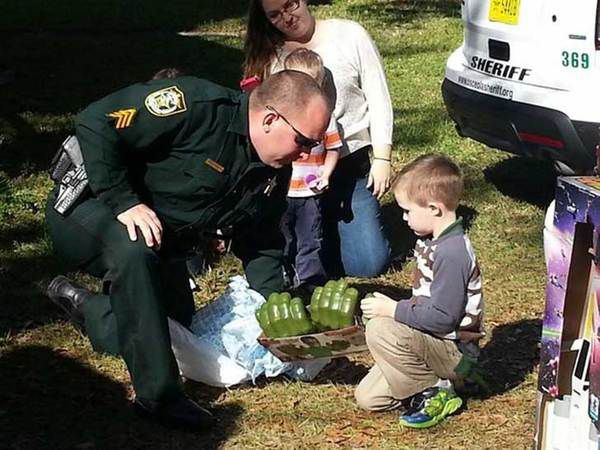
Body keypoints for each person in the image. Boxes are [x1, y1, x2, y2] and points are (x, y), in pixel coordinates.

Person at [45, 70, 331, 431]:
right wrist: (123, 200)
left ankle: (91, 308)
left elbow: (262, 241)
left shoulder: (274, 167)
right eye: (304, 140)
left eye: (314, 145)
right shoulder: (196, 106)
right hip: (90, 209)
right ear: (271, 119)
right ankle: (159, 397)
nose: (307, 153)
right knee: (134, 250)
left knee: (173, 331)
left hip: (162, 238)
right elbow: (95, 120)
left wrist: (278, 310)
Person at [244, 0, 393, 278]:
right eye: (275, 15)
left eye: (290, 5)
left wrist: (383, 156)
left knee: (367, 265)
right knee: (299, 244)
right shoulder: (269, 56)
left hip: (349, 165)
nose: (287, 18)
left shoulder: (349, 34)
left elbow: (378, 95)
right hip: (297, 173)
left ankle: (338, 233)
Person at [355, 154, 484, 428]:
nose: (403, 217)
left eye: (407, 210)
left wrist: (392, 310)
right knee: (368, 398)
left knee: (381, 328)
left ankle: (438, 391)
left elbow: (442, 318)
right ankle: (433, 383)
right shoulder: (432, 240)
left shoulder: (452, 253)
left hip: (455, 353)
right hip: (433, 344)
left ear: (435, 209)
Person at [280, 48, 341, 289]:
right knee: (282, 235)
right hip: (284, 191)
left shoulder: (324, 116)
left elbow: (334, 148)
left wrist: (326, 173)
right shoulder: (282, 114)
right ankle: (283, 274)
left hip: (309, 190)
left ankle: (309, 279)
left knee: (310, 236)